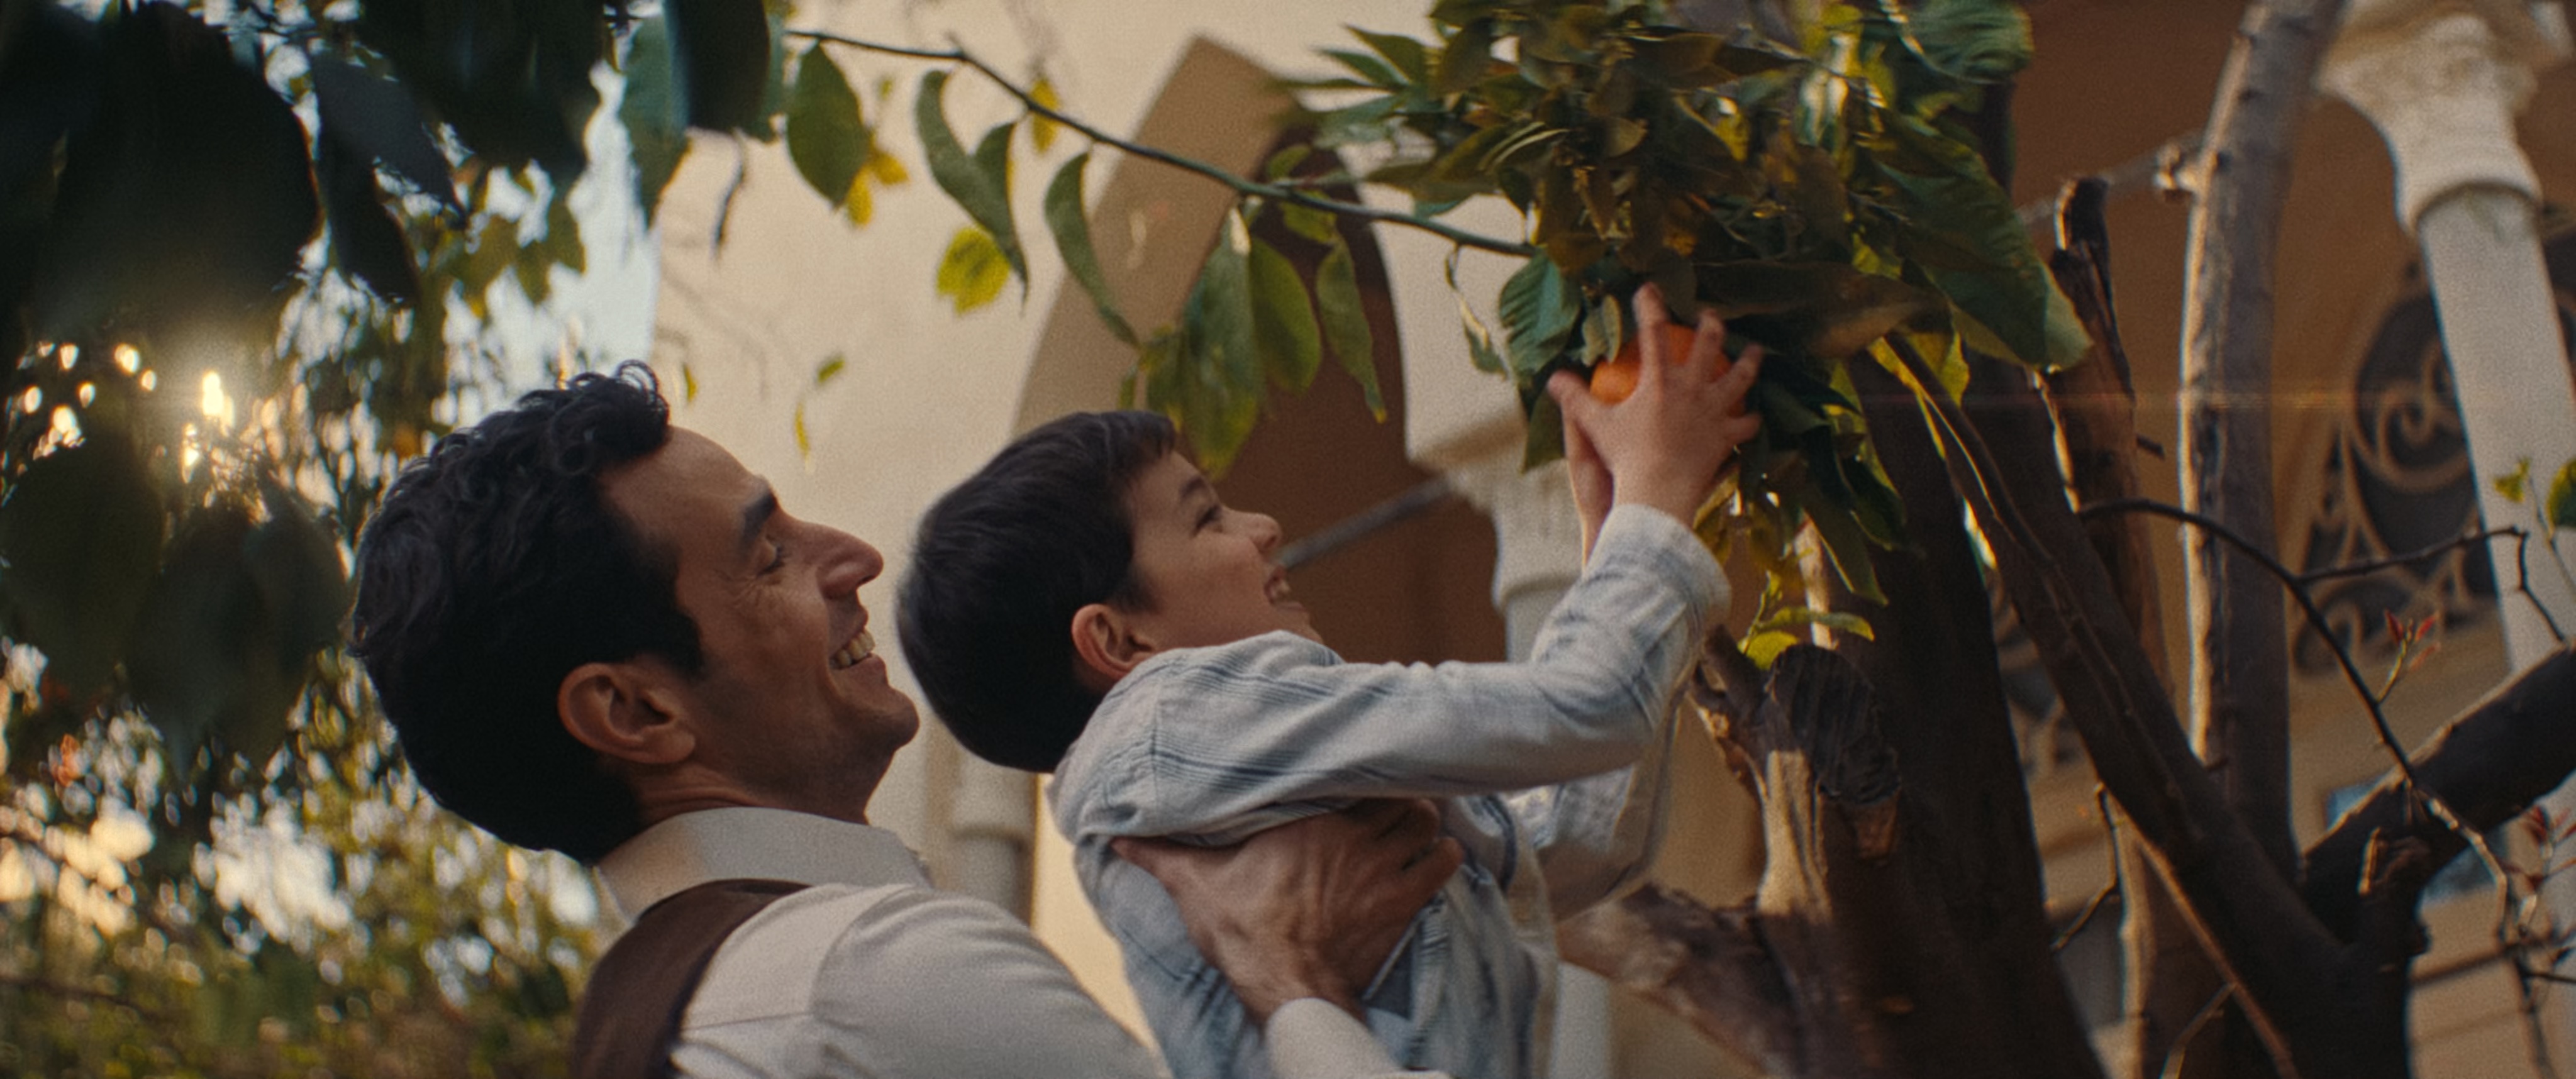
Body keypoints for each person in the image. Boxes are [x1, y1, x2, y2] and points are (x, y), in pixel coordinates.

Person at [349, 363, 1466, 1078]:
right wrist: (1293, 983)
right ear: (635, 711)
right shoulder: (867, 978)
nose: (859, 559)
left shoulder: (658, 1016)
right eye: (771, 555)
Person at [897, 284, 1762, 1078]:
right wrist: (1654, 496)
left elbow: (1576, 841)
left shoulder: (1234, 789)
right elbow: (1587, 709)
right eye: (1208, 519)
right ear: (1120, 640)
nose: (1263, 527)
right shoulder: (1172, 718)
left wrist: (1618, 543)